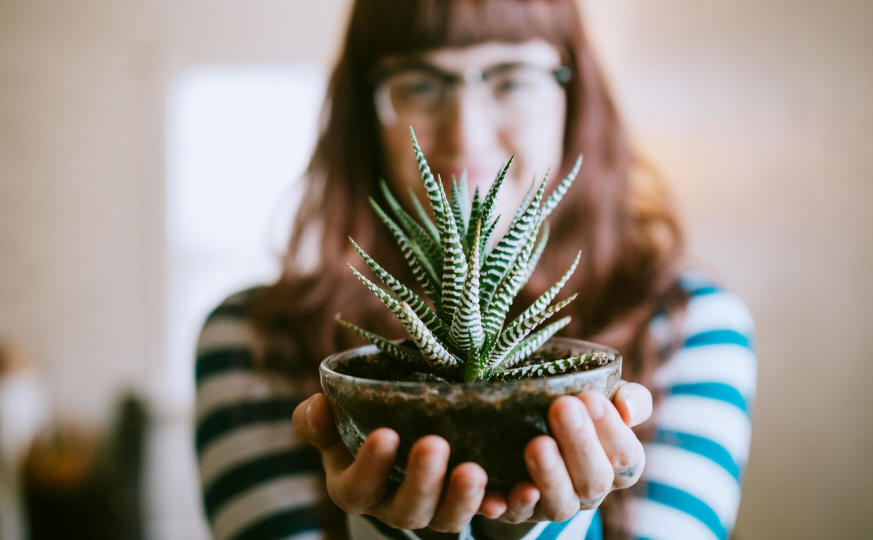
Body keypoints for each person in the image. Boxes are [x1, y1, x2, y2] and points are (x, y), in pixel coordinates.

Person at [193, 1, 756, 539]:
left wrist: (533, 529)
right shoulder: (251, 339)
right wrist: (392, 530)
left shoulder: (691, 324)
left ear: (573, 93)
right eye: (419, 81)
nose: (466, 135)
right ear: (364, 110)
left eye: (511, 78)